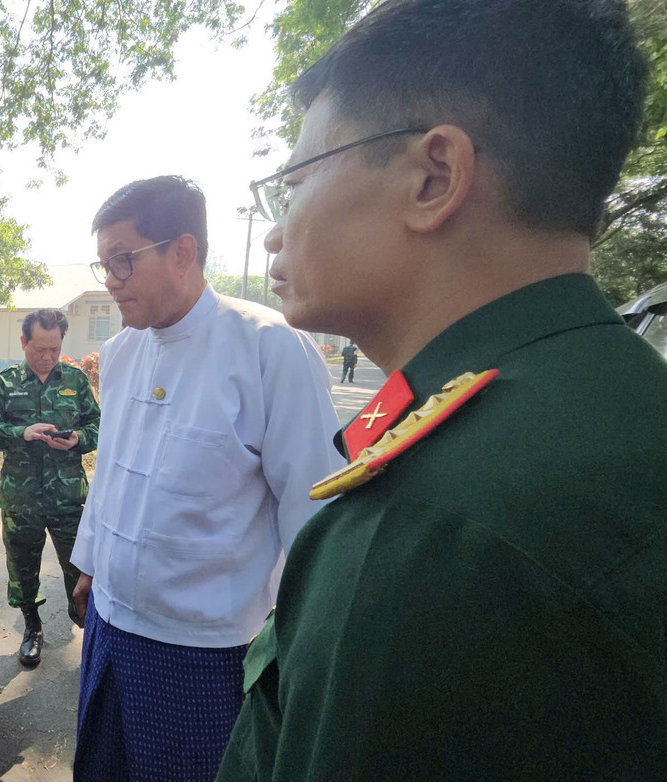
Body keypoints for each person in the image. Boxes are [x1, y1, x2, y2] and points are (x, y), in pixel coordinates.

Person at [219, 0, 667, 778]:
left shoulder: (426, 529)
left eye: (294, 180)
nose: (274, 228)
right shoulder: (624, 405)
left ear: (435, 176)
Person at [72, 175, 343, 781]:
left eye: (123, 260)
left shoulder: (270, 348)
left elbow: (315, 513)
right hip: (110, 627)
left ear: (183, 252)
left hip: (204, 651)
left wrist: (301, 654)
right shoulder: (120, 353)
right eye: (104, 263)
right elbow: (111, 471)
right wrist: (89, 565)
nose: (110, 278)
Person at [0, 309, 100, 668]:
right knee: (22, 568)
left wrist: (79, 438)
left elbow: (99, 425)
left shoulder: (77, 381)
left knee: (78, 567)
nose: (48, 357)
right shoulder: (5, 383)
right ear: (23, 343)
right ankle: (32, 628)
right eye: (39, 349)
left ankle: (86, 629)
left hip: (67, 497)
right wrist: (22, 433)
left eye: (55, 348)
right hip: (21, 497)